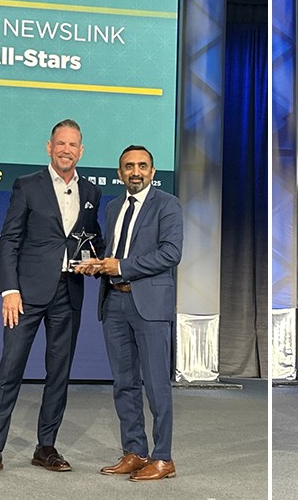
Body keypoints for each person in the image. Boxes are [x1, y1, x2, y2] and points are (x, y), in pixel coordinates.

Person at [0, 119, 104, 476]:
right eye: (60, 143)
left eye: (72, 145)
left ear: (81, 151)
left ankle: (46, 448)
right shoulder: (27, 185)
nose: (66, 150)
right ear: (49, 147)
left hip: (68, 293)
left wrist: (98, 261)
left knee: (59, 373)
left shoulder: (91, 192)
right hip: (26, 295)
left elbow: (91, 238)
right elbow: (9, 240)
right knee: (10, 369)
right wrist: (10, 290)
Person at [76, 145, 183, 481]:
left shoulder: (168, 204)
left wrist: (122, 266)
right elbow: (113, 251)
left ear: (152, 172)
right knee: (124, 383)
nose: (135, 172)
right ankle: (135, 452)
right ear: (119, 173)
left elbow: (171, 253)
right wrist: (99, 265)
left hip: (149, 306)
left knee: (156, 384)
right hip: (114, 303)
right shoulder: (113, 207)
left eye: (142, 166)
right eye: (129, 166)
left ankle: (163, 458)